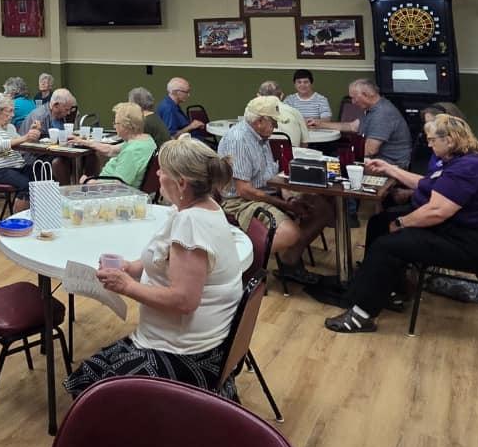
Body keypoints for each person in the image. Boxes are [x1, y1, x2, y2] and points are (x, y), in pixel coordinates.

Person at [64, 135, 251, 398]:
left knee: (92, 387)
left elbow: (184, 300)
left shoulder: (191, 224)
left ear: (182, 183)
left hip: (185, 353)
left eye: (162, 170)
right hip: (191, 341)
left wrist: (126, 286)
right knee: (92, 373)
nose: (158, 174)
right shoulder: (200, 208)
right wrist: (132, 267)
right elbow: (164, 258)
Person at [325, 115, 478, 333]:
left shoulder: (467, 168)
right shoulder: (462, 159)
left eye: (432, 140)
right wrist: (389, 168)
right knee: (379, 222)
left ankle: (362, 314)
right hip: (459, 230)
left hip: (471, 243)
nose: (429, 144)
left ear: (449, 140)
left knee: (387, 245)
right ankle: (387, 288)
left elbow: (437, 211)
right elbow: (426, 184)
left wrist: (402, 223)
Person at [217, 96, 335, 284]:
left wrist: (289, 199)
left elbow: (271, 176)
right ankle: (237, 266)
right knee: (289, 233)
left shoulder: (261, 137)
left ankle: (290, 261)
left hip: (265, 193)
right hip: (241, 201)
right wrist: (284, 204)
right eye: (272, 122)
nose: (275, 127)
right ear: (259, 121)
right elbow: (244, 191)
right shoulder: (239, 140)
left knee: (322, 209)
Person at [309, 79, 413, 168]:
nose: (353, 102)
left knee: (329, 167)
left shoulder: (382, 113)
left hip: (391, 165)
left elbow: (369, 150)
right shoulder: (373, 108)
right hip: (379, 160)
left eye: (354, 97)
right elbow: (352, 126)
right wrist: (320, 124)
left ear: (366, 95)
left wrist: (340, 158)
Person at [0, 94, 41, 212]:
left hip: (17, 166)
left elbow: (21, 146)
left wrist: (32, 134)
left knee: (43, 173)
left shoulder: (10, 127)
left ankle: (42, 214)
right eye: (10, 111)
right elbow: (1, 145)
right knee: (26, 185)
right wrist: (25, 137)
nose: (13, 115)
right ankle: (19, 222)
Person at [75, 103, 158, 187]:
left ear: (126, 126)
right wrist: (84, 142)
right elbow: (110, 150)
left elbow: (118, 185)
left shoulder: (132, 152)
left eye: (116, 123)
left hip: (112, 194)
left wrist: (89, 182)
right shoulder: (146, 141)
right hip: (109, 186)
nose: (114, 126)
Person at [258, 80, 308, 146]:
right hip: (291, 153)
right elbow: (305, 143)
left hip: (264, 154)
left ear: (259, 97)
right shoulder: (295, 112)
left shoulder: (254, 115)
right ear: (281, 95)